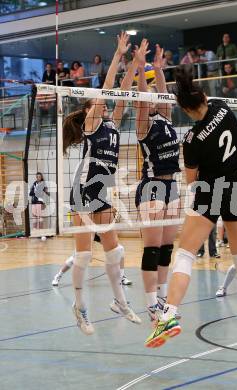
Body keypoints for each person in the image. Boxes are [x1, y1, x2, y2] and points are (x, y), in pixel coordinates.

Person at [145, 64, 237, 348]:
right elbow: (208, 104)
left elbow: (191, 181)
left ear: (186, 110)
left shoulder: (191, 140)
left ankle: (170, 315)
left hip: (210, 190)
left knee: (185, 254)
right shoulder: (223, 107)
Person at [62, 32, 144, 335]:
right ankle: (79, 307)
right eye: (98, 101)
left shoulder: (112, 123)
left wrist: (135, 65)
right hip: (83, 191)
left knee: (116, 251)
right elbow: (110, 87)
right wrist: (117, 55)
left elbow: (121, 91)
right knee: (83, 254)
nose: (105, 102)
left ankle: (119, 302)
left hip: (103, 193)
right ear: (90, 109)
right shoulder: (91, 123)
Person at [135, 44, 181, 321]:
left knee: (166, 248)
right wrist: (142, 68)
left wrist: (159, 69)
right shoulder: (144, 124)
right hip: (152, 185)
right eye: (150, 96)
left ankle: (162, 297)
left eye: (155, 96)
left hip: (172, 185)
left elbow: (163, 95)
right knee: (152, 248)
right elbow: (142, 99)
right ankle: (151, 303)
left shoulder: (165, 117)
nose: (154, 98)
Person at [52, 234, 132, 286]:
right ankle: (58, 276)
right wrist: (89, 251)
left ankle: (121, 277)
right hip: (86, 232)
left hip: (99, 232)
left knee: (120, 249)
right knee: (77, 256)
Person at [29, 172, 49, 236]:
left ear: (41, 177)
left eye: (39, 177)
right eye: (37, 177)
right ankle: (35, 230)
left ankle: (41, 231)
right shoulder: (34, 183)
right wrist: (35, 191)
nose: (38, 178)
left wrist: (45, 203)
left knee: (40, 216)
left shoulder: (43, 184)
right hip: (33, 202)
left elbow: (45, 194)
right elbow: (30, 193)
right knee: (34, 216)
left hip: (39, 202)